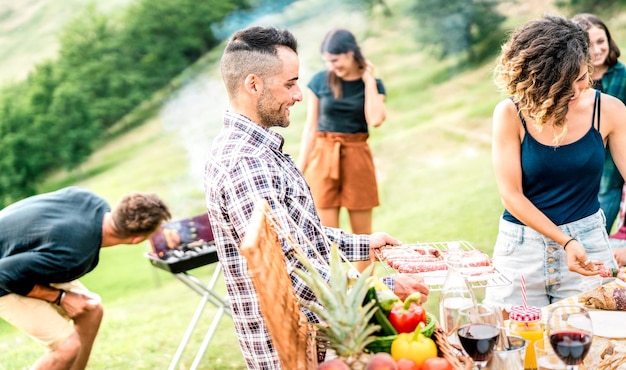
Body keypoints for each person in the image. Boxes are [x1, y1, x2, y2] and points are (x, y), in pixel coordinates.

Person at [204, 26, 428, 369]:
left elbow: (299, 239)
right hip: (288, 352)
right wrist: (381, 288)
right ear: (253, 84)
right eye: (290, 83)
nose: (298, 95)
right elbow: (289, 267)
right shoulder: (247, 163)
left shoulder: (257, 150)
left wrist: (366, 244)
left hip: (311, 339)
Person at [483, 15, 626, 310]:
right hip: (521, 251)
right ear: (539, 81)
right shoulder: (510, 114)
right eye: (563, 85)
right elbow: (511, 195)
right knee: (511, 346)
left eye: (581, 78)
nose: (576, 91)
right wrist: (565, 241)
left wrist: (575, 243)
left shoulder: (609, 110)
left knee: (595, 346)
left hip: (589, 246)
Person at [0, 186, 171, 370]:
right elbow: (4, 274)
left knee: (91, 310)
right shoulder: (75, 255)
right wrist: (60, 298)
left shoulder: (87, 198)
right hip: (4, 275)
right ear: (136, 239)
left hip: (20, 258)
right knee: (67, 347)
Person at [297, 29, 386, 273]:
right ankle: (337, 296)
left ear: (350, 54)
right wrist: (299, 171)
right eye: (327, 61)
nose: (331, 66)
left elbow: (376, 119)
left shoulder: (373, 84)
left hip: (357, 156)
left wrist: (368, 80)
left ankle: (365, 298)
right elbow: (310, 128)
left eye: (335, 60)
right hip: (323, 158)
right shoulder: (319, 81)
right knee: (327, 239)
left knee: (363, 236)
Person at [572, 13, 626, 235]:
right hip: (577, 174)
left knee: (597, 237)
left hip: (611, 175)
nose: (596, 50)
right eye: (588, 43)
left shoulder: (623, 75)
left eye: (601, 41)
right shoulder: (573, 81)